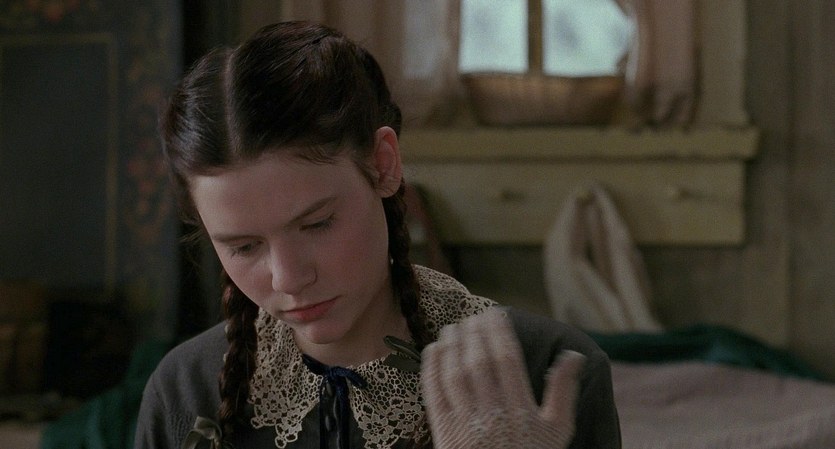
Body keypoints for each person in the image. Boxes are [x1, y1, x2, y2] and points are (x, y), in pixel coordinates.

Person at [135, 21, 621, 449]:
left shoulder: (543, 370)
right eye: (243, 246)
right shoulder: (185, 389)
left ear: (384, 165)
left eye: (317, 223)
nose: (288, 279)